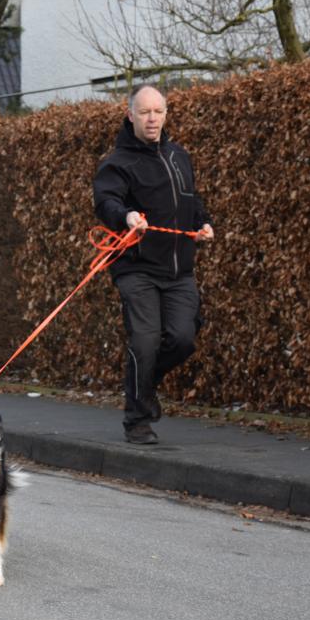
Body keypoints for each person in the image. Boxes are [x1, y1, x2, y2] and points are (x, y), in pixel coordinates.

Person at [92, 85, 215, 444]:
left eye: (158, 112)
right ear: (130, 115)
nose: (152, 119)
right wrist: (126, 215)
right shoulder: (116, 163)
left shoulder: (179, 157)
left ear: (165, 114)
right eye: (144, 112)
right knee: (144, 342)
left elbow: (192, 202)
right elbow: (106, 202)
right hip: (136, 268)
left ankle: (142, 387)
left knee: (182, 339)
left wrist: (202, 225)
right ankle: (138, 421)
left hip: (179, 270)